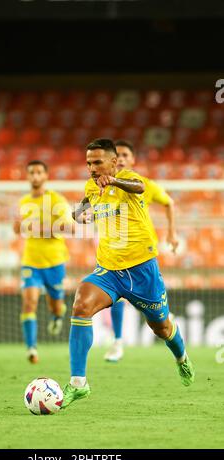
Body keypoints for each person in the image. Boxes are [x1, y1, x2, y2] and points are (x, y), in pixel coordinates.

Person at [62, 138, 194, 408]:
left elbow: (140, 187)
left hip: (142, 271)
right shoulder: (91, 185)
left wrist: (114, 181)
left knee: (162, 327)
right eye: (88, 163)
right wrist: (79, 214)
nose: (92, 168)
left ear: (113, 162)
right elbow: (84, 203)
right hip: (109, 270)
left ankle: (181, 358)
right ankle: (78, 384)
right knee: (81, 305)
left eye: (97, 162)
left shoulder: (129, 179)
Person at [104, 139, 179, 362]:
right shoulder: (105, 187)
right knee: (115, 297)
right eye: (118, 156)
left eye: (126, 155)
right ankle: (117, 342)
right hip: (115, 252)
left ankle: (164, 317)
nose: (122, 159)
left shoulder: (144, 184)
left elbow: (169, 203)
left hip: (142, 253)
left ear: (133, 159)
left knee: (153, 310)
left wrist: (172, 233)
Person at [13, 160, 71, 364]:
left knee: (55, 306)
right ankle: (31, 348)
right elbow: (18, 228)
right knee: (29, 302)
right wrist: (18, 226)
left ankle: (57, 316)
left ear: (46, 175)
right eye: (31, 172)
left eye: (39, 172)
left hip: (55, 262)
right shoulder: (23, 202)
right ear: (27, 176)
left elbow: (69, 228)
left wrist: (38, 229)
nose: (35, 176)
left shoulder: (56, 200)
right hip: (31, 262)